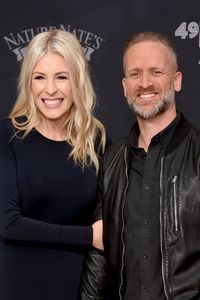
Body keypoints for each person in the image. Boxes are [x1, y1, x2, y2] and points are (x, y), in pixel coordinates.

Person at [80, 31, 200, 300]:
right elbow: (99, 257)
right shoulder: (111, 160)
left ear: (177, 80)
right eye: (135, 74)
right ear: (124, 86)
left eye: (156, 72)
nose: (145, 83)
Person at [0, 29, 109, 300]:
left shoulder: (94, 141)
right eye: (40, 78)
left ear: (78, 81)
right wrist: (87, 236)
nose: (50, 89)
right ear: (29, 83)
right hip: (16, 288)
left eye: (62, 77)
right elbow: (9, 224)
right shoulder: (7, 136)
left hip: (75, 290)